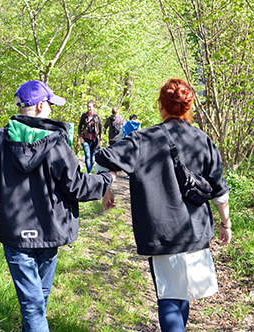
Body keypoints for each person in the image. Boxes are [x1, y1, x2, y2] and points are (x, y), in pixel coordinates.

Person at [0, 80, 116, 332]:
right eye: (50, 105)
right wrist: (106, 179)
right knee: (36, 303)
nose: (51, 110)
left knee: (35, 303)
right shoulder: (56, 142)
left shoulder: (2, 138)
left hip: (15, 234)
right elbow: (77, 186)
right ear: (41, 105)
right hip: (50, 233)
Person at [96, 78, 231, 332]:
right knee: (183, 292)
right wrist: (226, 223)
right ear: (189, 106)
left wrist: (107, 187)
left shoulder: (143, 139)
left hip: (161, 231)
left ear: (161, 106)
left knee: (169, 295)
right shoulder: (202, 139)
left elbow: (103, 157)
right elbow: (219, 191)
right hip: (195, 231)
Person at [78, 100, 103, 173]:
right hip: (85, 139)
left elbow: (101, 129)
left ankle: (90, 171)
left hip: (94, 140)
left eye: (90, 107)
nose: (89, 108)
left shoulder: (97, 117)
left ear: (94, 107)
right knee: (87, 155)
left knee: (93, 158)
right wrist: (80, 137)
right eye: (87, 107)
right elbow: (79, 127)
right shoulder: (84, 116)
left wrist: (101, 140)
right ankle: (89, 173)